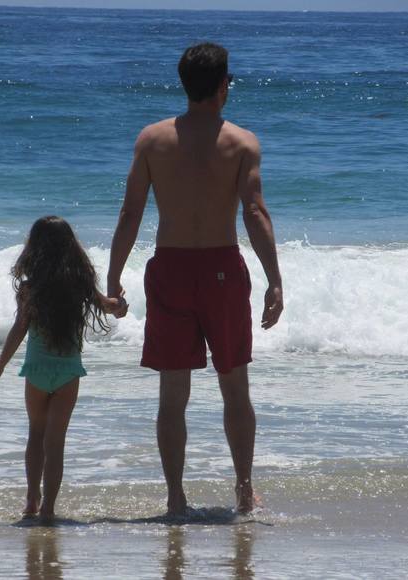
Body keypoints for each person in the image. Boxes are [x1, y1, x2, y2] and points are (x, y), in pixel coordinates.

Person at [107, 43, 283, 515]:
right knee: (235, 387)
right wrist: (274, 279)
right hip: (222, 270)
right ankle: (243, 489)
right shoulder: (242, 143)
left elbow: (130, 213)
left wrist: (113, 278)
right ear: (224, 85)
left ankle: (175, 498)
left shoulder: (152, 140)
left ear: (184, 84)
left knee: (172, 395)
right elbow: (254, 212)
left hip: (171, 269)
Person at [0, 216, 124, 521]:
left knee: (36, 434)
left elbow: (18, 329)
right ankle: (48, 507)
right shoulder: (80, 285)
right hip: (68, 372)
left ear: (34, 249)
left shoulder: (30, 288)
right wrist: (121, 304)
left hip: (36, 370)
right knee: (56, 441)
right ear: (71, 248)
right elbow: (110, 306)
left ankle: (31, 500)